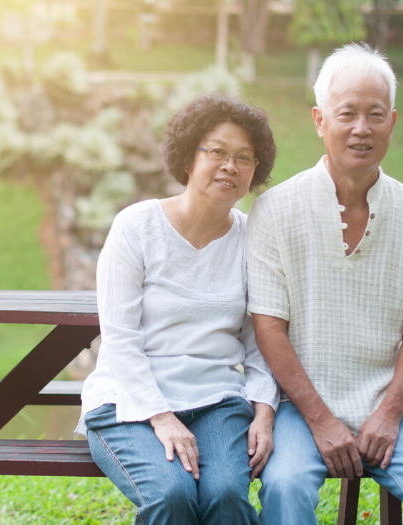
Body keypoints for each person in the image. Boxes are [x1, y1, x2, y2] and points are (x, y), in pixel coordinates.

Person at [246, 42, 403, 525]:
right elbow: (268, 327)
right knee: (283, 485)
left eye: (375, 114)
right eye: (346, 113)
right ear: (320, 120)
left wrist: (390, 412)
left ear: (393, 121)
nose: (361, 128)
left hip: (390, 408)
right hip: (300, 410)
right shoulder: (274, 210)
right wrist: (321, 420)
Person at [75, 92, 279, 525]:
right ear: (189, 157)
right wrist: (161, 417)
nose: (230, 166)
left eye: (244, 158)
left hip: (217, 402)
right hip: (127, 403)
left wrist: (264, 410)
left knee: (227, 497)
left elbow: (261, 339)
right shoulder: (136, 228)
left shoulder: (253, 239)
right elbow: (120, 339)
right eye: (218, 152)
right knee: (172, 495)